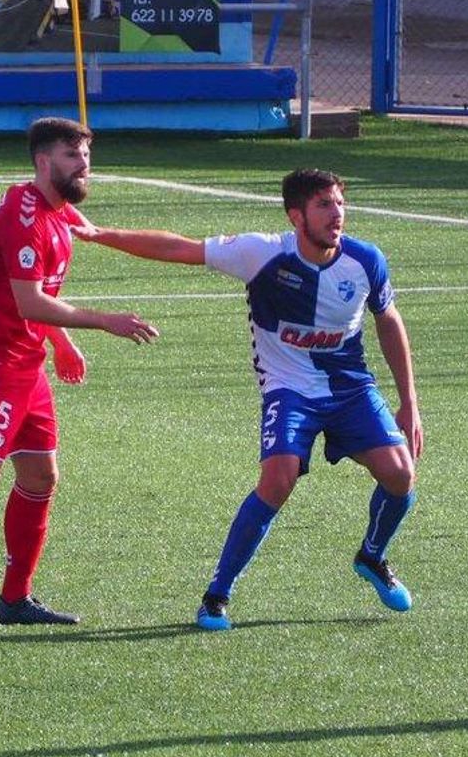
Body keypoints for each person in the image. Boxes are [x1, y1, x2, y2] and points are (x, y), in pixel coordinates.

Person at [71, 168, 423, 628]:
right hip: (289, 387)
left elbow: (388, 321)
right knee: (277, 480)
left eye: (339, 203)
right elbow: (179, 247)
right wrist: (101, 235)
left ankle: (372, 557)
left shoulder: (366, 261)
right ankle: (217, 595)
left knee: (401, 475)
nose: (336, 214)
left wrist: (409, 401)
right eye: (323, 205)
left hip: (350, 388)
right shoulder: (261, 253)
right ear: (296, 215)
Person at [0, 117, 158, 644]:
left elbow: (38, 296)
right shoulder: (25, 218)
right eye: (73, 157)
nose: (84, 166)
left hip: (27, 362)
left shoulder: (57, 211)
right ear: (44, 162)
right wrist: (103, 321)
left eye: (87, 156)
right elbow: (29, 300)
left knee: (41, 478)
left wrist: (60, 342)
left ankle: (15, 598)